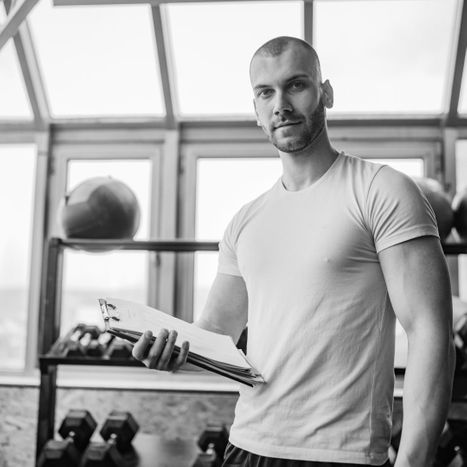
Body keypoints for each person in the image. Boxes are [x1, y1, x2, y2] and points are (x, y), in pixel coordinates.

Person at [132, 36, 455, 466]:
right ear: (256, 111)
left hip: (341, 455)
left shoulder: (383, 190)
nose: (280, 103)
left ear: (326, 93)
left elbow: (429, 330)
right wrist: (169, 351)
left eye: (296, 85)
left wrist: (413, 461)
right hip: (246, 446)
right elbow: (216, 332)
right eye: (266, 92)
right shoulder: (245, 221)